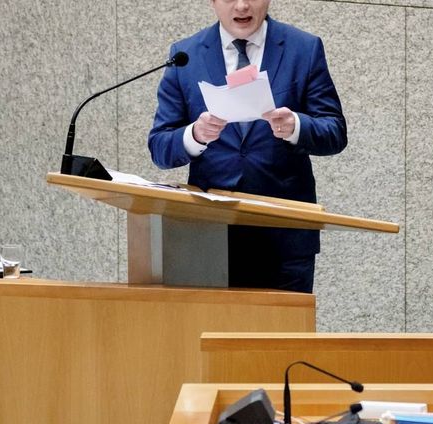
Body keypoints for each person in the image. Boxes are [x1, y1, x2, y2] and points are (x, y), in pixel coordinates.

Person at [148, 0, 347, 293]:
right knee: (215, 336)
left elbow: (335, 131)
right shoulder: (185, 56)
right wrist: (196, 135)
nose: (242, 6)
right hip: (209, 238)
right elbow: (159, 146)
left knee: (282, 338)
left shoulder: (303, 49)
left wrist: (296, 126)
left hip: (285, 238)